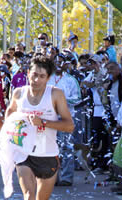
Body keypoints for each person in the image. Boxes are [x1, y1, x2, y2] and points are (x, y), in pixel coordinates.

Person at [4, 56, 74, 200]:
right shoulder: (18, 93)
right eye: (34, 75)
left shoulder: (55, 95)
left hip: (48, 154)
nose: (36, 80)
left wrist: (43, 122)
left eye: (41, 76)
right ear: (28, 74)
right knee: (28, 198)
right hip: (24, 153)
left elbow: (69, 125)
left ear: (48, 78)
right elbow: (9, 114)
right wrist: (6, 131)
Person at [49, 54, 81, 186]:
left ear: (65, 64)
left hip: (66, 119)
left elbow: (78, 98)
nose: (58, 64)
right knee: (51, 148)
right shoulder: (47, 78)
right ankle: (52, 177)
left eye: (61, 62)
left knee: (67, 147)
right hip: (50, 119)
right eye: (56, 62)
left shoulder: (71, 80)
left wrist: (63, 101)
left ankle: (67, 177)